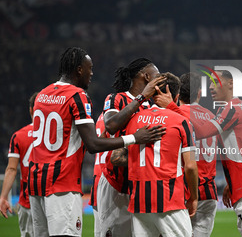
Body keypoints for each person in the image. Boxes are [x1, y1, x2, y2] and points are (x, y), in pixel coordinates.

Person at [27, 47, 165, 237]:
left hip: (36, 182)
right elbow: (95, 142)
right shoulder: (80, 96)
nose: (92, 73)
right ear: (79, 70)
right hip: (63, 184)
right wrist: (135, 138)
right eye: (89, 68)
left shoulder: (42, 94)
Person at [156, 70, 242, 237]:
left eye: (215, 82)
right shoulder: (227, 110)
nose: (211, 87)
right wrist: (231, 180)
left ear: (230, 84)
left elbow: (202, 131)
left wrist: (171, 106)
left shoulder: (232, 108)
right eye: (209, 83)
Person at [122, 72, 198, 237]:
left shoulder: (133, 119)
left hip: (139, 201)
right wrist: (194, 197)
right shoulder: (181, 121)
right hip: (169, 199)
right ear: (176, 95)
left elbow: (119, 157)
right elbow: (191, 166)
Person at [97, 58, 162, 237]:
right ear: (147, 76)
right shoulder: (116, 98)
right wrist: (141, 98)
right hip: (116, 184)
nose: (161, 79)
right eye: (157, 76)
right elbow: (110, 125)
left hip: (143, 184)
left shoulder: (155, 105)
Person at [171, 72, 219, 236]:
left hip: (185, 190)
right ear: (199, 92)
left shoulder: (176, 114)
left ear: (177, 94)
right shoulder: (212, 117)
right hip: (209, 191)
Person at [0, 92, 38, 237]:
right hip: (48, 199)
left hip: (26, 202)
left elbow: (11, 168)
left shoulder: (18, 136)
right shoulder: (54, 134)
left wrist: (3, 197)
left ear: (30, 110)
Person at [88, 112, 108, 237]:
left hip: (98, 177)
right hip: (112, 179)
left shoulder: (102, 115)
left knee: (100, 232)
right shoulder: (122, 113)